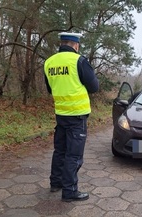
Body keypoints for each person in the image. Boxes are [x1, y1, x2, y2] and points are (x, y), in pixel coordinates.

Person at [44, 32, 99, 202]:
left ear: (62, 44)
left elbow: (50, 89)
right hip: (77, 116)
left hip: (60, 114)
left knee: (60, 150)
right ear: (76, 45)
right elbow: (94, 86)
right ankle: (70, 191)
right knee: (73, 155)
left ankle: (56, 183)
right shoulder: (79, 61)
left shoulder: (49, 62)